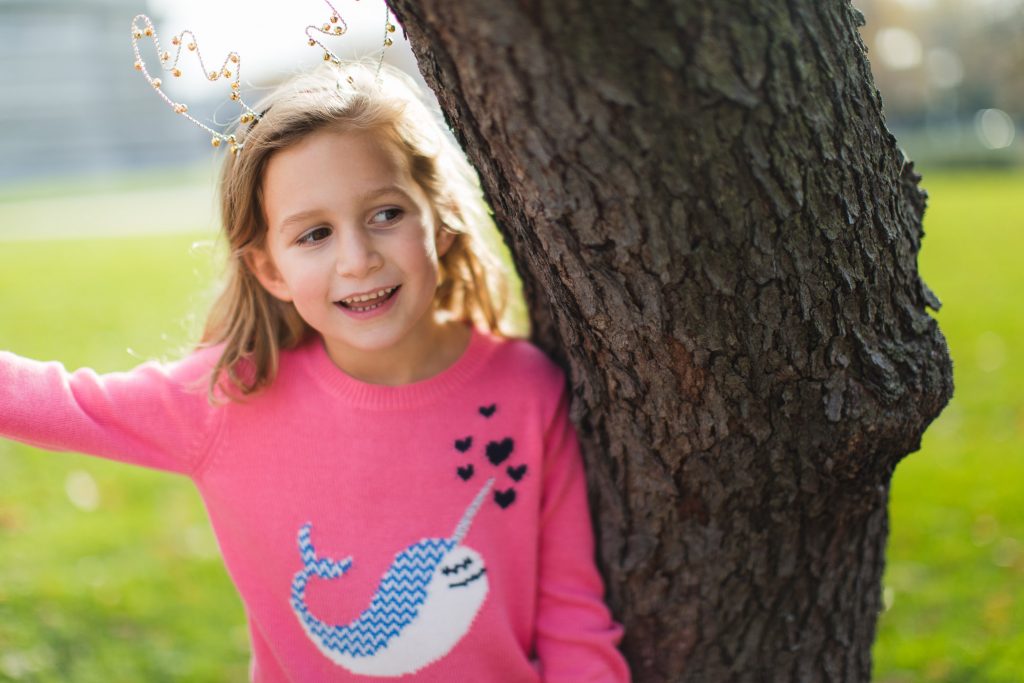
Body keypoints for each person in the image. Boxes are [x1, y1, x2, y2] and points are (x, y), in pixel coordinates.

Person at [0, 57, 630, 681]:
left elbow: (571, 615)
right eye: (314, 234)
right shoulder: (229, 397)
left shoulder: (526, 389)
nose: (358, 260)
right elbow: (55, 403)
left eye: (386, 214)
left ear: (437, 218)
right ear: (270, 270)